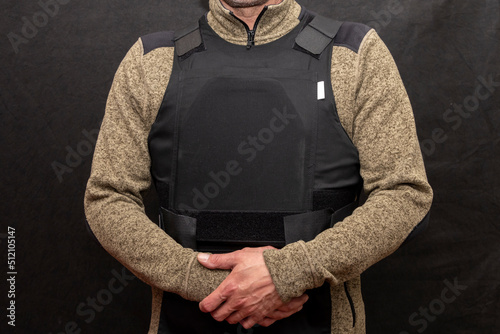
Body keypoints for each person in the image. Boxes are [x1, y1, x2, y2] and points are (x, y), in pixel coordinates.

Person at [84, 0, 433, 333]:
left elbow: (404, 193)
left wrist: (290, 272)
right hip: (182, 321)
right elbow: (107, 196)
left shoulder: (355, 53)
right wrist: (207, 281)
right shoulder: (151, 60)